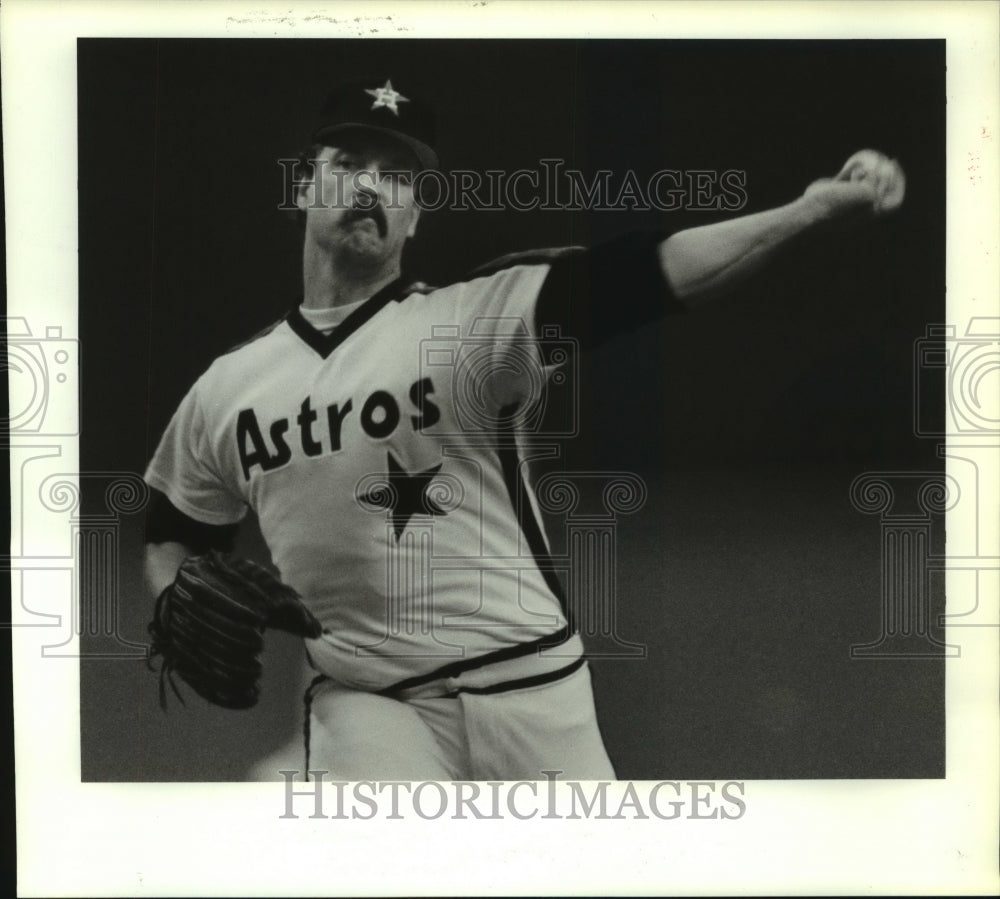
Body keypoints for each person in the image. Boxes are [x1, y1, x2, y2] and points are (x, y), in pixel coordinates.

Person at [143, 76, 906, 782]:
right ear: (304, 184)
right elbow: (173, 531)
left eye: (399, 176)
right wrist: (175, 589)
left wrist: (806, 210)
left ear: (415, 214)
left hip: (532, 684)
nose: (372, 186)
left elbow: (650, 275)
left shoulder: (474, 318)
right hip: (370, 704)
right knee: (375, 854)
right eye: (348, 165)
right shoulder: (227, 389)